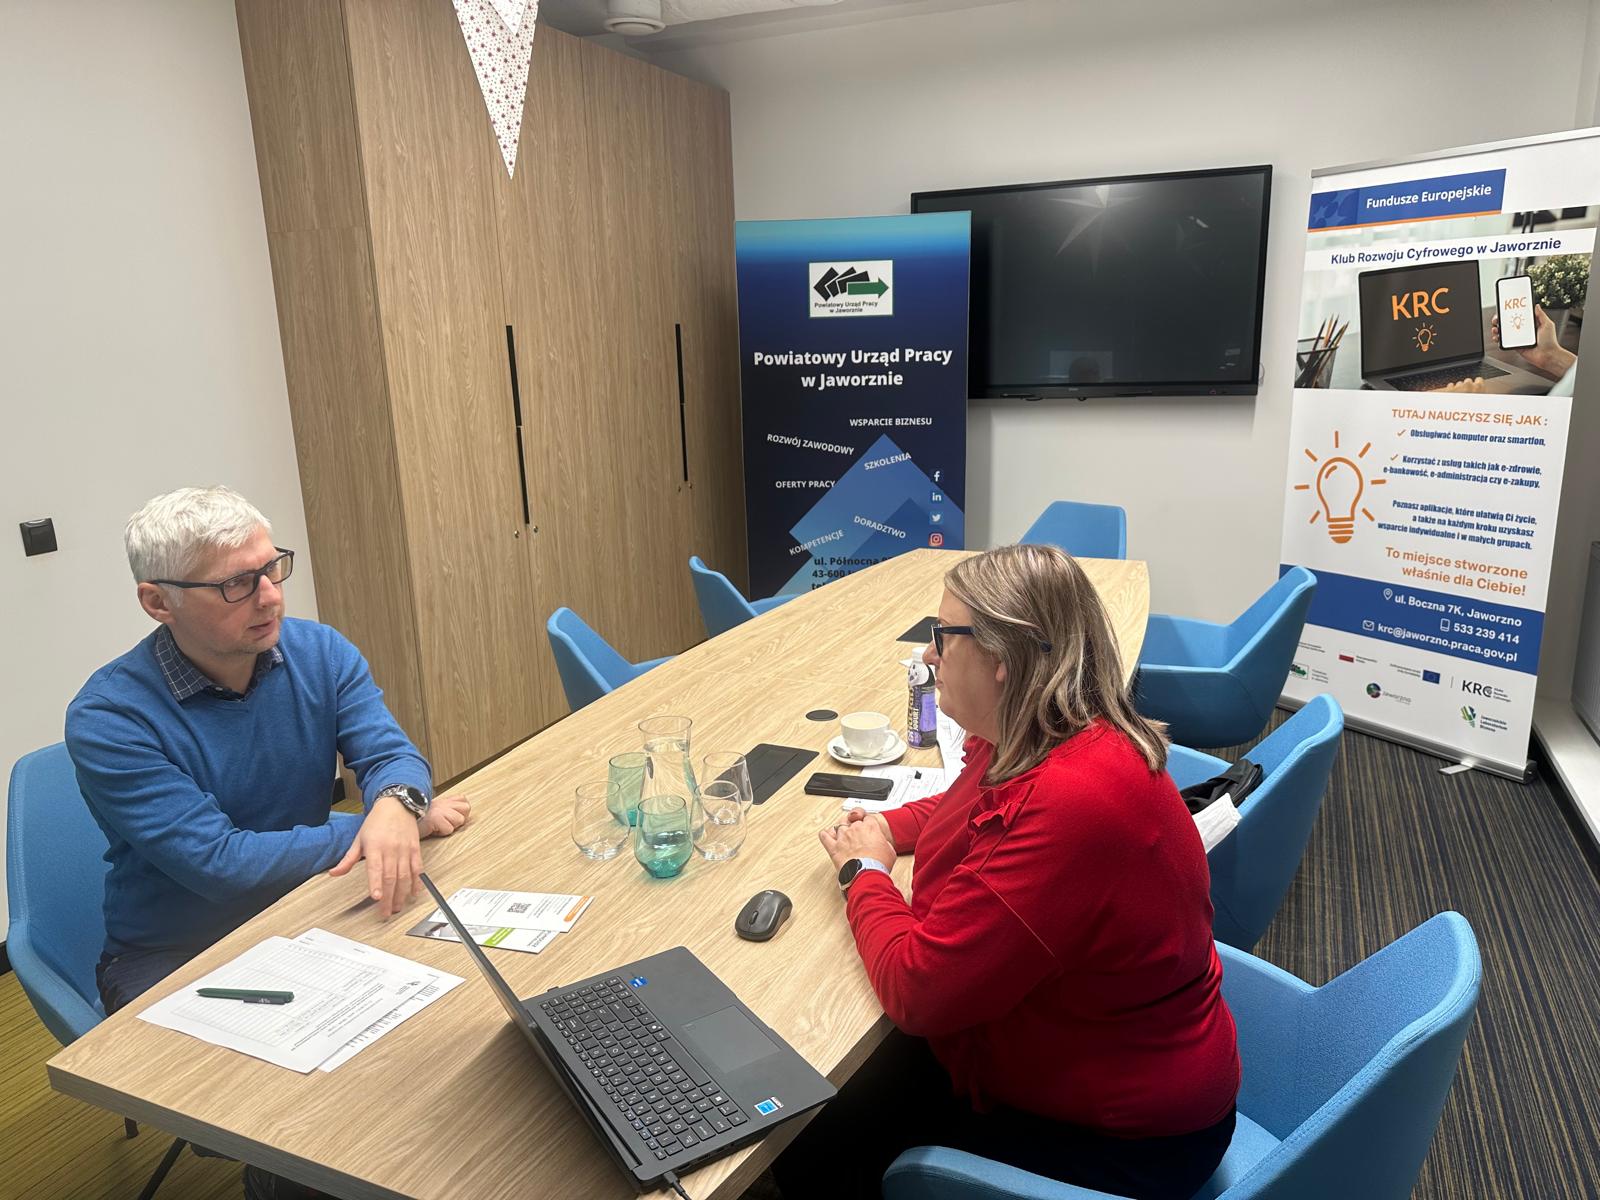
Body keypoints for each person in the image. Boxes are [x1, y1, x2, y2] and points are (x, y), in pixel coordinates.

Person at [786, 543, 1239, 1200]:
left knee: (815, 1145)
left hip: (1130, 1141)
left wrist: (865, 875)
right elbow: (970, 802)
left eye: (944, 636)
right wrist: (887, 827)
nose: (928, 655)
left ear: (1002, 658)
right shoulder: (1052, 731)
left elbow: (918, 991)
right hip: (1101, 1050)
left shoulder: (1067, 805)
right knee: (840, 1094)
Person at [65, 486, 470, 1200]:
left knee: (442, 1038)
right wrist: (376, 824)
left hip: (309, 911)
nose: (270, 596)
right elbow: (222, 863)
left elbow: (391, 757)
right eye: (235, 584)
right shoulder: (109, 718)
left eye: (271, 568)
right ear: (158, 602)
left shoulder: (320, 651)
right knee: (309, 1116)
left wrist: (399, 802)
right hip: (180, 953)